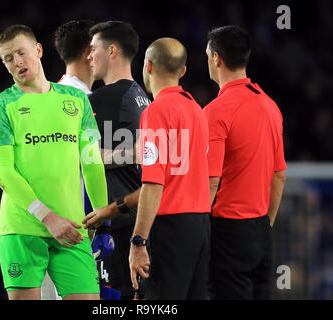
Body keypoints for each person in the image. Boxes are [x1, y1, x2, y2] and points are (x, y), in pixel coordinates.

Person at [0, 24, 107, 300]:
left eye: (22, 53)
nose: (17, 62)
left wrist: (100, 215)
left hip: (73, 229)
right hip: (22, 229)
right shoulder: (0, 107)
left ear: (38, 50)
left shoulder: (77, 101)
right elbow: (3, 174)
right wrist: (48, 218)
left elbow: (91, 161)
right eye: (8, 58)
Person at [84, 37, 211, 300]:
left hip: (170, 227)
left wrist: (138, 240)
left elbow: (154, 183)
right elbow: (179, 179)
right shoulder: (196, 110)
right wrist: (114, 208)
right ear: (183, 71)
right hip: (200, 226)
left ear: (148, 67)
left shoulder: (156, 112)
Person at [204, 25, 287, 300]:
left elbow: (211, 180)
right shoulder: (270, 106)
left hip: (227, 230)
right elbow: (279, 175)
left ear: (216, 58)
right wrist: (264, 225)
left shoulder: (215, 112)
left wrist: (198, 233)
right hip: (261, 229)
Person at [86, 21, 151, 299]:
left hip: (117, 220)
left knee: (114, 297)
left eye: (93, 49)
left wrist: (88, 159)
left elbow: (137, 151)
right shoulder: (140, 96)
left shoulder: (103, 98)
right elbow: (141, 152)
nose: (89, 56)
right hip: (137, 215)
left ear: (112, 50)